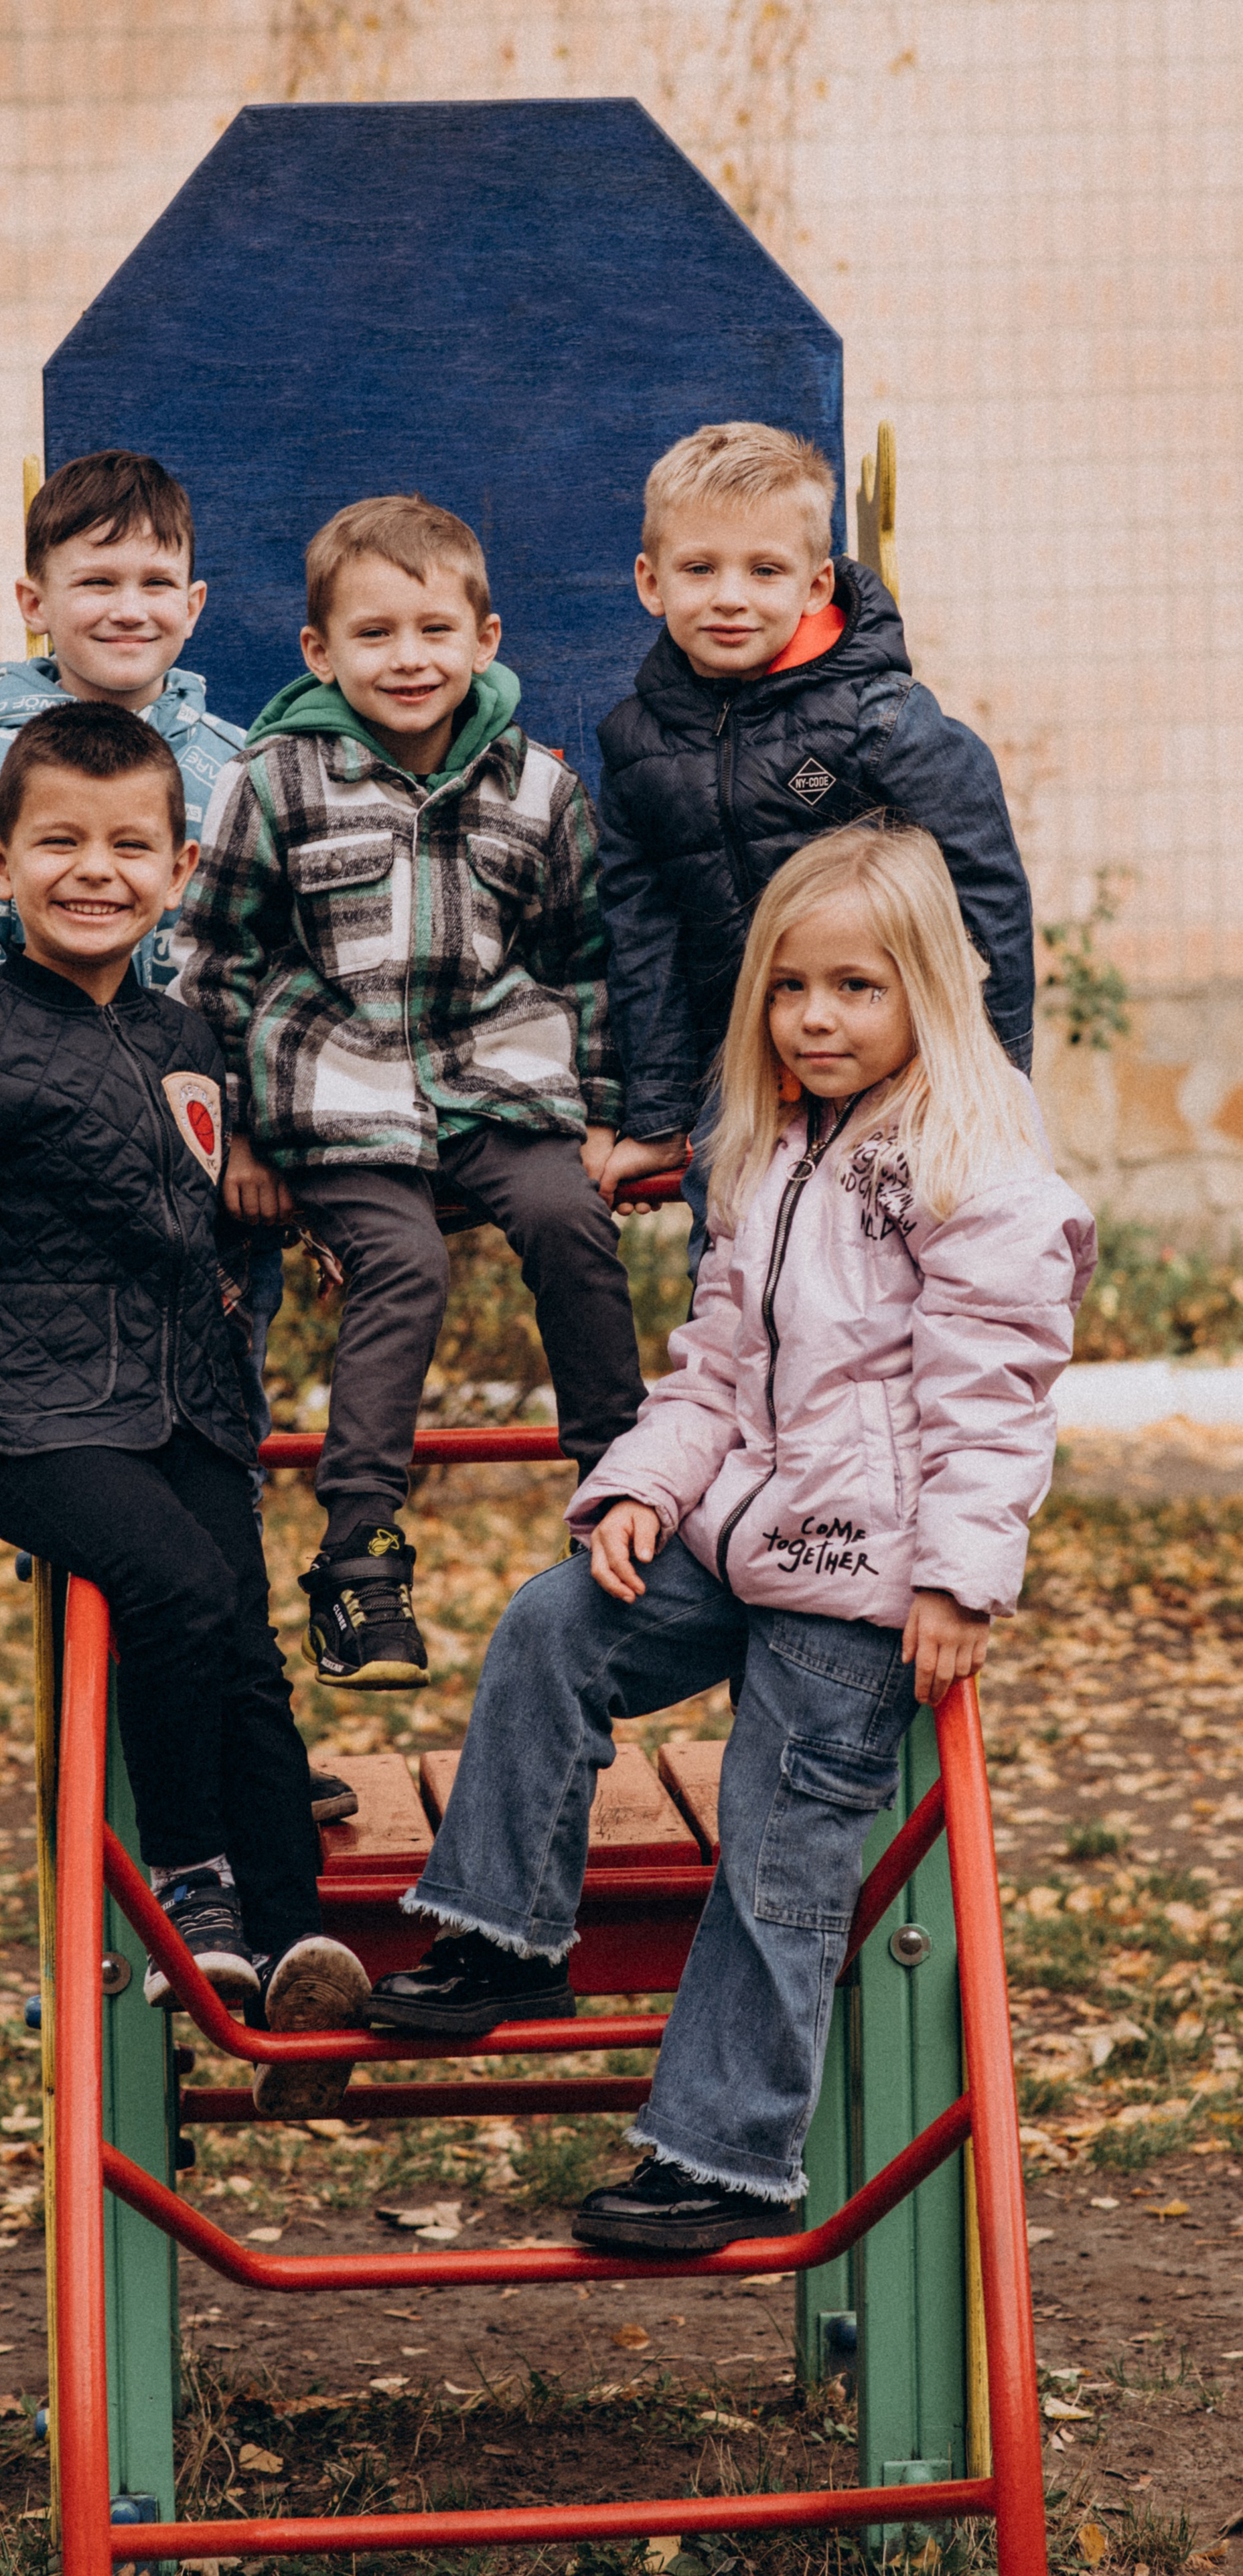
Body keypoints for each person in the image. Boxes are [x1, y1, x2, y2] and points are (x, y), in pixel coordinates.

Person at [366, 820, 1095, 2252]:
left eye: (854, 988)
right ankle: (502, 1937)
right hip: (731, 1532)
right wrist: (638, 1490)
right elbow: (713, 1367)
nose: (814, 1018)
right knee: (551, 1619)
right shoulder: (765, 1150)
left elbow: (993, 1394)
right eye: (789, 987)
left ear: (927, 994)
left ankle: (719, 2154)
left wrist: (956, 1578)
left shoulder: (970, 1167)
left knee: (775, 1858)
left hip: (859, 1584)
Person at [0, 698, 367, 2117]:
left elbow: (188, 1226)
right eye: (59, 842)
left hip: (175, 1406)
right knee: (176, 1589)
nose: (95, 870)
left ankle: (298, 1935)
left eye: (128, 845)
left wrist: (302, 1232)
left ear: (178, 867)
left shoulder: (185, 1037)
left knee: (241, 1638)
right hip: (22, 1413)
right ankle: (193, 1891)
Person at [0, 445, 349, 1820]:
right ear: (36, 599)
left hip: (211, 1196)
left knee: (216, 1479)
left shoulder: (240, 766)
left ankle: (246, 1763)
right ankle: (161, 1794)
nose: (125, 606)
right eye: (96, 581)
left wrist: (263, 1140)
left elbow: (277, 968)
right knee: (115, 1515)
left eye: (154, 581)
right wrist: (103, 1053)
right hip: (60, 1217)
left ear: (195, 604)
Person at [179, 493, 647, 1688]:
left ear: (485, 638)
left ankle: (627, 1491)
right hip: (336, 1090)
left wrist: (598, 1112)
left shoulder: (538, 785)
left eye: (435, 630)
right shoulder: (274, 780)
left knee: (567, 1218)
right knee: (405, 1260)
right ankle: (360, 1560)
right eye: (374, 635)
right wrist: (235, 1132)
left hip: (494, 1077)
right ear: (319, 654)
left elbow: (581, 954)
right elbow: (215, 958)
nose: (409, 659)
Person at [590, 422, 1038, 1272]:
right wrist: (654, 1116)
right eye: (699, 569)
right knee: (735, 1259)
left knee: (908, 1262)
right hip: (749, 1070)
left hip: (895, 1060)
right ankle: (743, 1406)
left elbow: (987, 897)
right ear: (651, 582)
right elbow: (641, 938)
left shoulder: (880, 721)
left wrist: (997, 1078)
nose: (730, 596)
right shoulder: (638, 746)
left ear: (814, 582)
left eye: (763, 570)